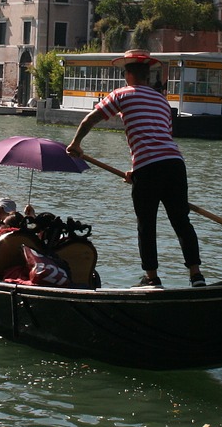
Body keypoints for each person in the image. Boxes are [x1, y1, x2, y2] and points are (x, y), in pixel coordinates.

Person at [66, 48, 203, 288]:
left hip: (149, 167)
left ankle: (152, 278)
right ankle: (196, 275)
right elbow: (158, 137)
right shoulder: (161, 99)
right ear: (147, 75)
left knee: (146, 224)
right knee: (181, 221)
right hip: (174, 164)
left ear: (128, 74)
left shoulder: (121, 94)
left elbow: (91, 119)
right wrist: (136, 171)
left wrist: (76, 143)